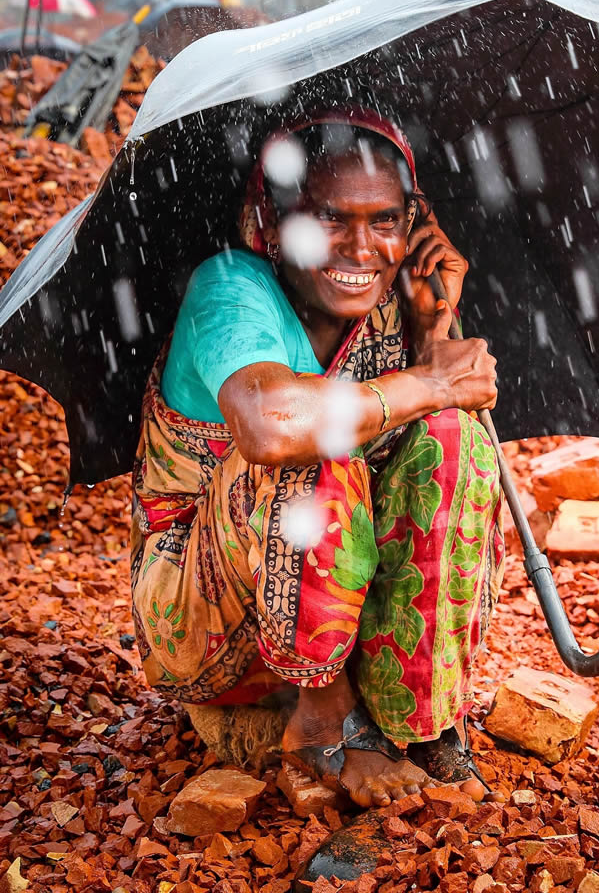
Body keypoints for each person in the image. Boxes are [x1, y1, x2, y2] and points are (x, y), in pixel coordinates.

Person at [129, 106, 504, 809]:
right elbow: (272, 426)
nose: (361, 249)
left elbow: (420, 444)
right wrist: (426, 381)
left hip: (318, 599)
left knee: (453, 436)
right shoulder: (231, 288)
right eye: (330, 219)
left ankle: (414, 717)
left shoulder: (391, 298)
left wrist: (432, 329)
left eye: (386, 221)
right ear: (273, 226)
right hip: (204, 617)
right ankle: (322, 717)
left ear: (413, 224)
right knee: (308, 445)